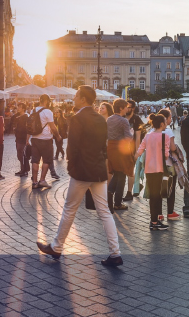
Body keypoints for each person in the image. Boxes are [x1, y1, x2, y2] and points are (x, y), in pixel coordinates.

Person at [36, 86, 123, 267]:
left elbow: (72, 147)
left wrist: (71, 166)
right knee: (105, 212)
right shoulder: (100, 119)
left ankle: (57, 247)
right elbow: (103, 146)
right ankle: (115, 253)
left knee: (69, 208)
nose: (74, 98)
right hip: (98, 170)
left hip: (82, 171)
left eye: (76, 96)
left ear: (83, 99)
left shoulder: (77, 118)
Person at [135, 113, 176, 231]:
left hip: (148, 168)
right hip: (159, 168)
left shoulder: (148, 136)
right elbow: (166, 154)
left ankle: (154, 220)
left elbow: (140, 150)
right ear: (162, 124)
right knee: (157, 195)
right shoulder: (165, 137)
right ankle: (154, 222)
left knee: (153, 194)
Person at [106, 99, 135, 211]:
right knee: (122, 173)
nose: (127, 109)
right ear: (120, 108)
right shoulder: (123, 121)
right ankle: (117, 203)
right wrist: (131, 133)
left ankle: (110, 195)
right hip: (120, 149)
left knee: (117, 173)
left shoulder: (109, 119)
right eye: (126, 107)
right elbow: (128, 138)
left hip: (111, 147)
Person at [29, 95, 58, 189]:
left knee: (35, 160)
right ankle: (42, 180)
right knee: (46, 160)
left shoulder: (32, 111)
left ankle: (34, 182)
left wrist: (27, 139)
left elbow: (29, 126)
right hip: (46, 139)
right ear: (45, 101)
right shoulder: (48, 112)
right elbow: (53, 127)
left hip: (35, 138)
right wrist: (58, 136)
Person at [14, 103, 30, 177]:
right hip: (18, 137)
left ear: (23, 108)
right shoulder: (19, 117)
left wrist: (27, 139)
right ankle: (22, 169)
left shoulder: (26, 117)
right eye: (18, 107)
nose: (18, 108)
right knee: (19, 154)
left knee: (23, 154)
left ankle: (25, 170)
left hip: (23, 138)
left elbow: (27, 129)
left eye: (20, 107)